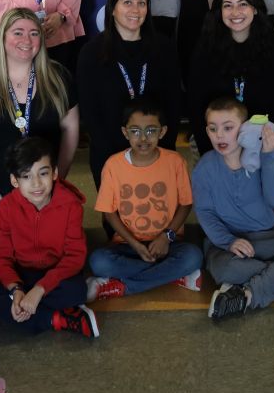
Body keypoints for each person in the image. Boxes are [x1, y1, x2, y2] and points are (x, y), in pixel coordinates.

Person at [0, 7, 79, 256]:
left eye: (34, 34)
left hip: (44, 187)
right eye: (18, 32)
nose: (26, 40)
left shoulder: (57, 77)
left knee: (47, 255)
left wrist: (58, 179)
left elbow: (70, 128)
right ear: (1, 37)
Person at [193, 96, 274, 321]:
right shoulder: (205, 167)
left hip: (269, 235)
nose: (219, 135)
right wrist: (228, 241)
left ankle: (246, 294)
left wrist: (270, 155)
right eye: (213, 129)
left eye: (228, 128)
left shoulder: (259, 156)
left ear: (244, 129)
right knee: (224, 269)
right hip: (227, 242)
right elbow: (205, 213)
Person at [0, 137, 99, 338]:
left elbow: (75, 257)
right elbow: (1, 257)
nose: (36, 184)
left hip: (55, 274)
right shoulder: (7, 207)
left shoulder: (71, 205)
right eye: (26, 176)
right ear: (14, 180)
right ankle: (57, 319)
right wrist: (16, 289)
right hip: (21, 274)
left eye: (43, 173)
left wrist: (39, 290)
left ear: (55, 173)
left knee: (77, 291)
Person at [87, 97, 204, 301]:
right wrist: (134, 244)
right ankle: (171, 275)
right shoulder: (113, 165)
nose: (143, 138)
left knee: (193, 255)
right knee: (98, 261)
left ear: (163, 132)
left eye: (151, 130)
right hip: (128, 245)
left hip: (168, 243)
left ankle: (125, 286)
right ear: (125, 133)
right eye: (135, 131)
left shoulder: (175, 162)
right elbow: (108, 212)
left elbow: (186, 204)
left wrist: (166, 237)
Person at [76, 0, 182, 190]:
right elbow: (90, 110)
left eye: (141, 3)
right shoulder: (92, 53)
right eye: (127, 2)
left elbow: (174, 103)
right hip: (110, 153)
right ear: (112, 8)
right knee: (117, 219)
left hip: (157, 149)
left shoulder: (165, 48)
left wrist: (161, 147)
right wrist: (117, 153)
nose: (135, 9)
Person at [187, 0, 274, 154]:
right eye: (228, 5)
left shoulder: (272, 49)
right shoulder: (205, 49)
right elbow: (196, 105)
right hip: (214, 145)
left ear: (255, 8)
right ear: (220, 11)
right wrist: (208, 151)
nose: (235, 12)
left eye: (243, 4)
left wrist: (264, 144)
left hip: (259, 146)